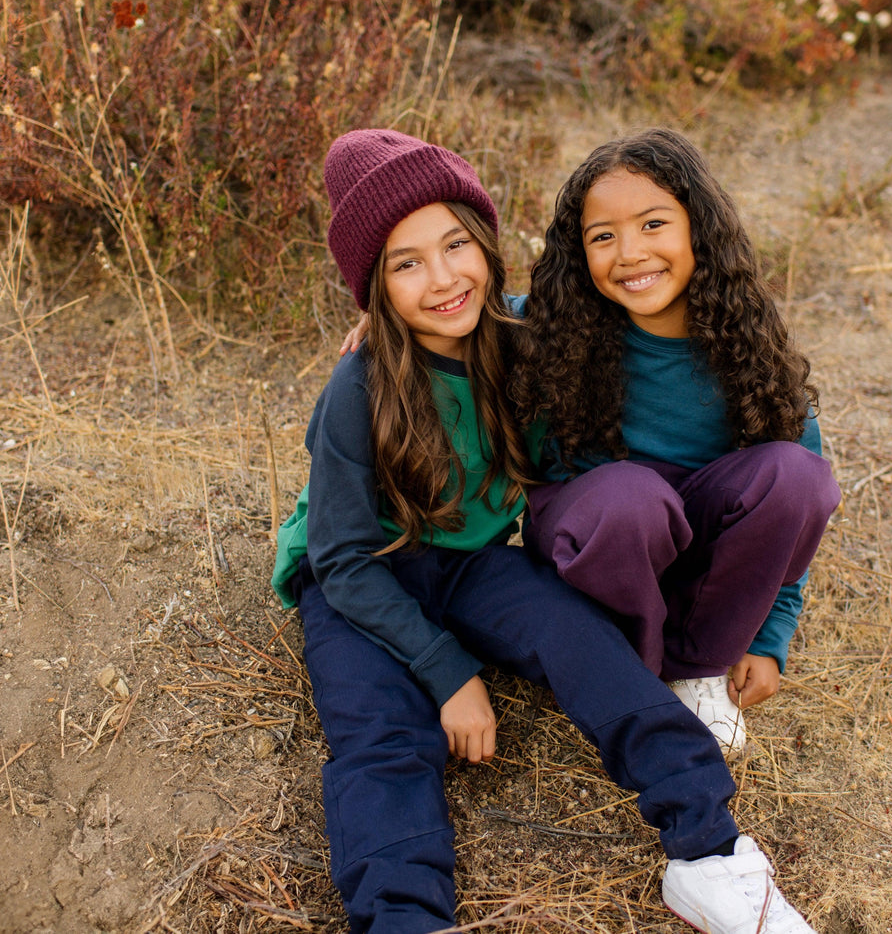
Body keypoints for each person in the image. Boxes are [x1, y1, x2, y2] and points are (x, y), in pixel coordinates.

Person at [272, 129, 818, 934]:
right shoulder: (359, 386)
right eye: (406, 263)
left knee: (587, 646)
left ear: (487, 244)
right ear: (374, 289)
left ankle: (709, 852)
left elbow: (601, 319)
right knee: (384, 736)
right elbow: (342, 557)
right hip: (361, 581)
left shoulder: (523, 345)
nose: (443, 277)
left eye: (456, 244)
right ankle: (402, 915)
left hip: (473, 563)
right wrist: (448, 672)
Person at [511, 128, 842, 760]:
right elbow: (452, 314)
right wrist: (385, 316)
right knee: (631, 496)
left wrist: (768, 637)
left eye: (653, 224)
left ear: (699, 230)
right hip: (595, 537)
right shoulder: (552, 325)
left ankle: (695, 667)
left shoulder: (748, 349)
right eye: (602, 236)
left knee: (798, 475)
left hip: (692, 551)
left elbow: (794, 520)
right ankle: (626, 667)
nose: (630, 253)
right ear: (579, 253)